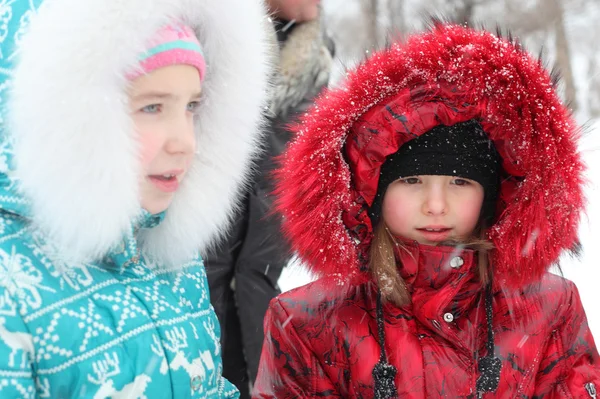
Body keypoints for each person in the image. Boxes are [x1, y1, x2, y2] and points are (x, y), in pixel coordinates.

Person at [252, 22, 600, 398]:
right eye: (412, 182)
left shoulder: (548, 310)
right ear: (373, 193)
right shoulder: (308, 324)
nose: (436, 206)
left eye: (460, 183)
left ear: (492, 195)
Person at [0, 0, 271, 397]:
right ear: (66, 118)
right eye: (152, 107)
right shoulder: (13, 292)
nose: (185, 143)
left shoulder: (172, 258)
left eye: (192, 106)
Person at [204, 0, 332, 396]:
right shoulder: (228, 35)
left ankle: (263, 387)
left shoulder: (318, 53)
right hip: (222, 190)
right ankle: (217, 382)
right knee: (213, 280)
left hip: (276, 200)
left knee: (259, 281)